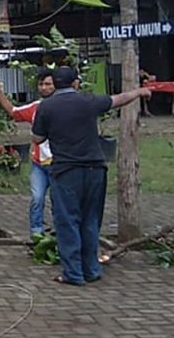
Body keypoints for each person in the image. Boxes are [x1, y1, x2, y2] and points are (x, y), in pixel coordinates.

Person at [31, 66, 152, 286]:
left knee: (68, 221)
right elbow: (119, 99)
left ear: (54, 84)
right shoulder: (88, 101)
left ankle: (73, 274)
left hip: (66, 171)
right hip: (95, 169)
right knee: (90, 220)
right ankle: (92, 269)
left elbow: (37, 138)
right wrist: (139, 92)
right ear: (75, 83)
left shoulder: (47, 107)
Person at [0, 69, 55, 238]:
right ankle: (36, 232)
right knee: (37, 198)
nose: (44, 87)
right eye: (41, 84)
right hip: (39, 163)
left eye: (48, 84)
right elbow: (13, 111)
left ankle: (60, 232)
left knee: (59, 201)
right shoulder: (35, 108)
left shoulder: (67, 106)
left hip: (60, 163)